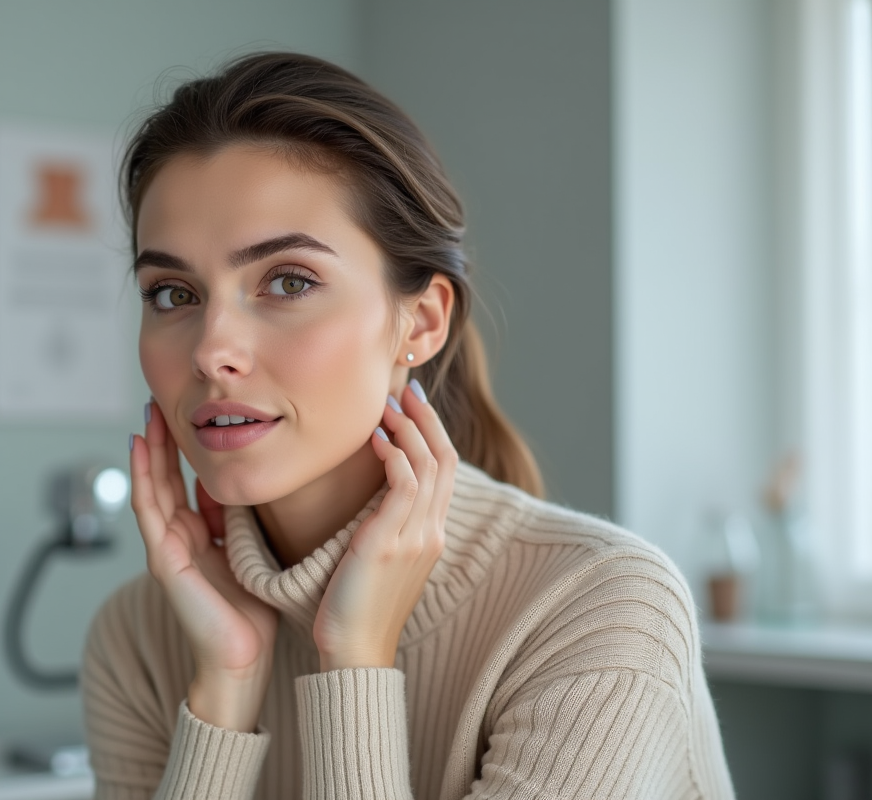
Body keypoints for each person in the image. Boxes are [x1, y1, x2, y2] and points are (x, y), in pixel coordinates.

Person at [82, 52, 734, 800]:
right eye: (171, 293)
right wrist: (223, 694)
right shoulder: (139, 636)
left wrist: (356, 661)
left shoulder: (603, 613)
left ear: (418, 325)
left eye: (288, 281)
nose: (211, 350)